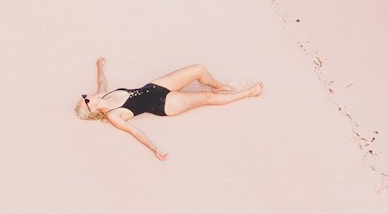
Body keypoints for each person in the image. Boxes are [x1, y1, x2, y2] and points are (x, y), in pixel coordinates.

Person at [75, 57, 262, 160]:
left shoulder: (102, 94)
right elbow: (134, 132)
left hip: (155, 86)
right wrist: (153, 148)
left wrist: (99, 66)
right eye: (86, 100)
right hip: (163, 104)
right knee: (207, 97)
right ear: (93, 110)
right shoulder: (113, 115)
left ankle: (218, 84)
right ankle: (248, 93)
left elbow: (102, 81)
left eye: (84, 96)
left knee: (198, 68)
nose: (87, 95)